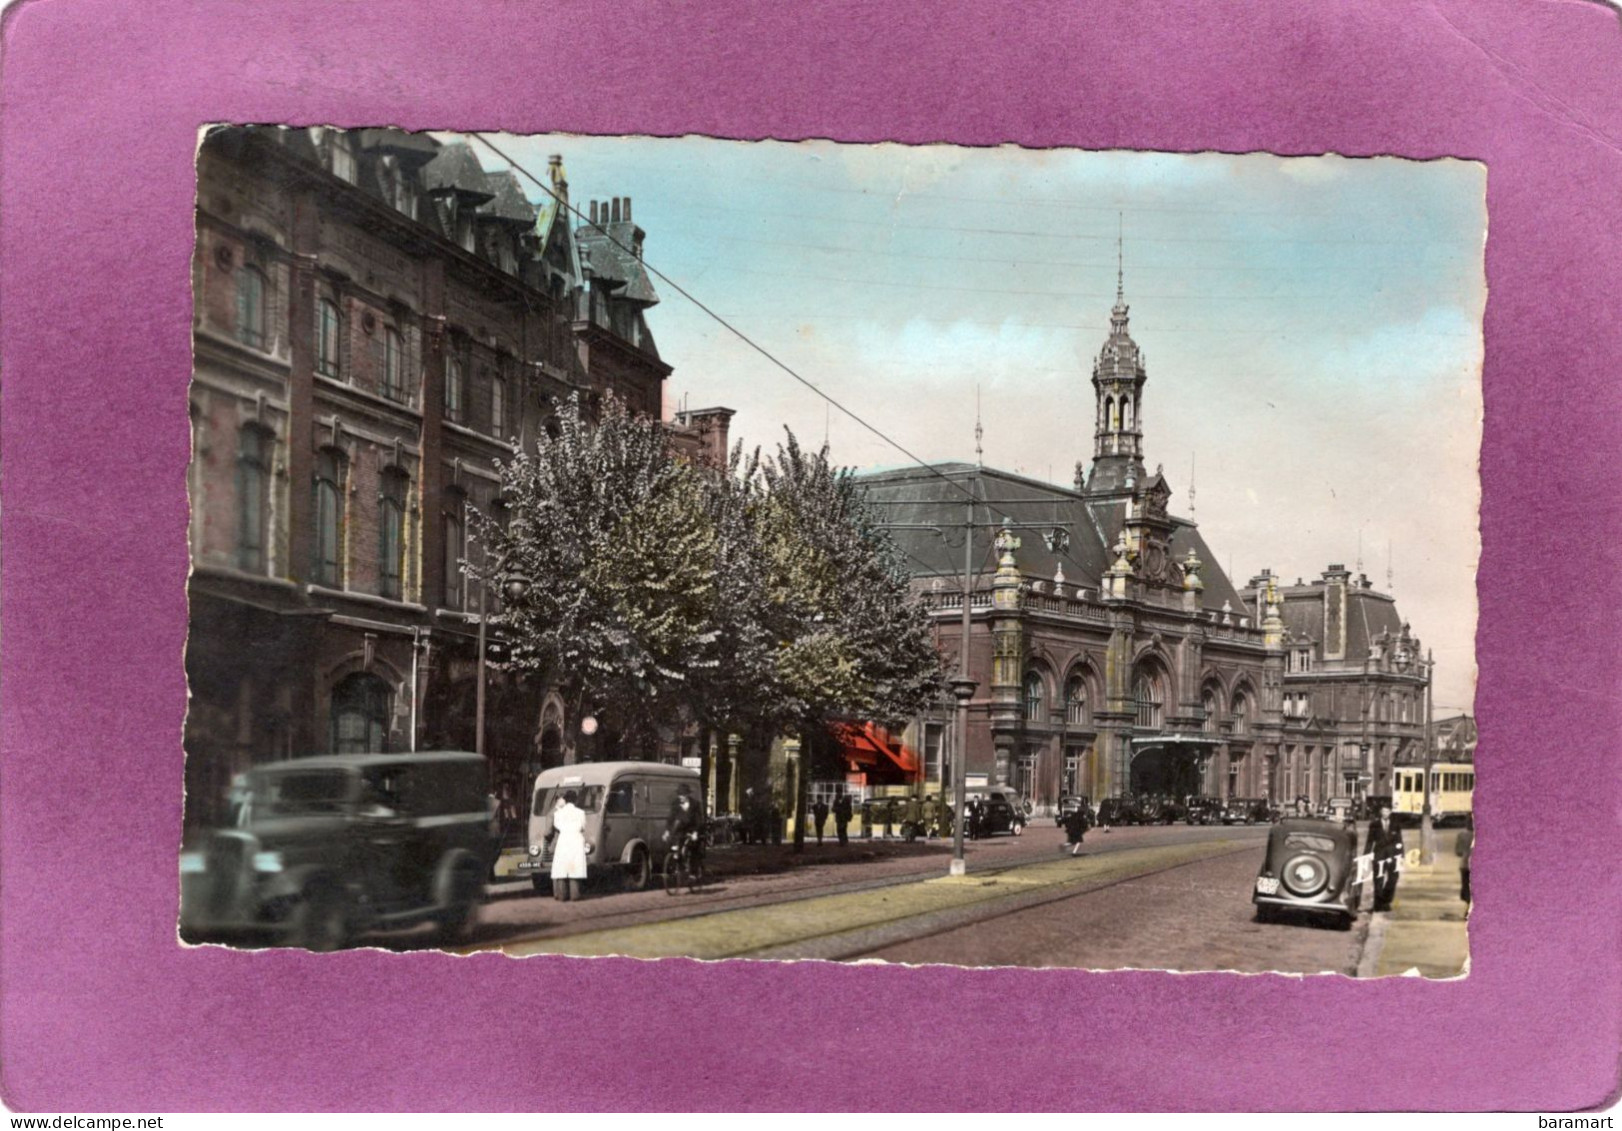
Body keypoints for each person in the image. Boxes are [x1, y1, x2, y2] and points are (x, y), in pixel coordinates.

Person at [549, 790, 589, 902]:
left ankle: (562, 896)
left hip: (563, 840)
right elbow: (583, 827)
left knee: (562, 867)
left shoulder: (558, 813)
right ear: (575, 800)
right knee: (574, 867)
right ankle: (574, 895)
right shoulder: (581, 812)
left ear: (565, 800)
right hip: (576, 840)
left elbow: (557, 825)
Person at [1364, 802, 1405, 912]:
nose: (1385, 813)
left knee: (1393, 879)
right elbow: (1369, 841)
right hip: (1379, 855)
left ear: (1390, 812)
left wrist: (1401, 855)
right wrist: (1366, 855)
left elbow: (1399, 841)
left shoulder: (1395, 824)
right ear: (1380, 812)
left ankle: (1386, 902)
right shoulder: (1374, 824)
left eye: (1387, 811)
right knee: (1378, 880)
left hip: (1393, 856)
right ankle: (1377, 905)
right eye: (1383, 811)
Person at [663, 783, 707, 879]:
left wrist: (696, 832)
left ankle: (693, 872)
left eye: (682, 795)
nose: (680, 797)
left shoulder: (695, 804)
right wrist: (667, 831)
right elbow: (671, 818)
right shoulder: (675, 804)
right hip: (680, 830)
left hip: (692, 829)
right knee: (674, 846)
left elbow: (699, 820)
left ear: (687, 795)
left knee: (693, 847)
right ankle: (677, 866)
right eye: (679, 795)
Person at [1456, 814, 1474, 908]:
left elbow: (1458, 852)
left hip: (1465, 864)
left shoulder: (1462, 835)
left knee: (1466, 887)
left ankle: (1468, 907)